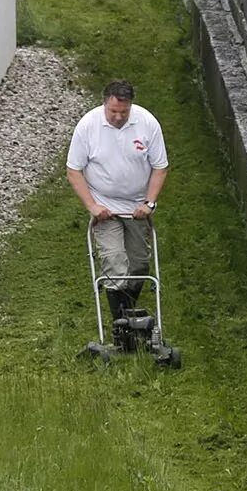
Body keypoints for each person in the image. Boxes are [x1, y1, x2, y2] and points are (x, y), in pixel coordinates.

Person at [66, 80, 168, 321]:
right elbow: (73, 170)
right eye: (113, 111)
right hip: (105, 207)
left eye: (124, 111)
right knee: (114, 260)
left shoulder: (147, 123)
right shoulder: (88, 126)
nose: (119, 117)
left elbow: (160, 167)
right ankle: (119, 322)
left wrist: (149, 203)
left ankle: (130, 311)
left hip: (136, 207)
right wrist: (92, 206)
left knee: (140, 265)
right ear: (105, 104)